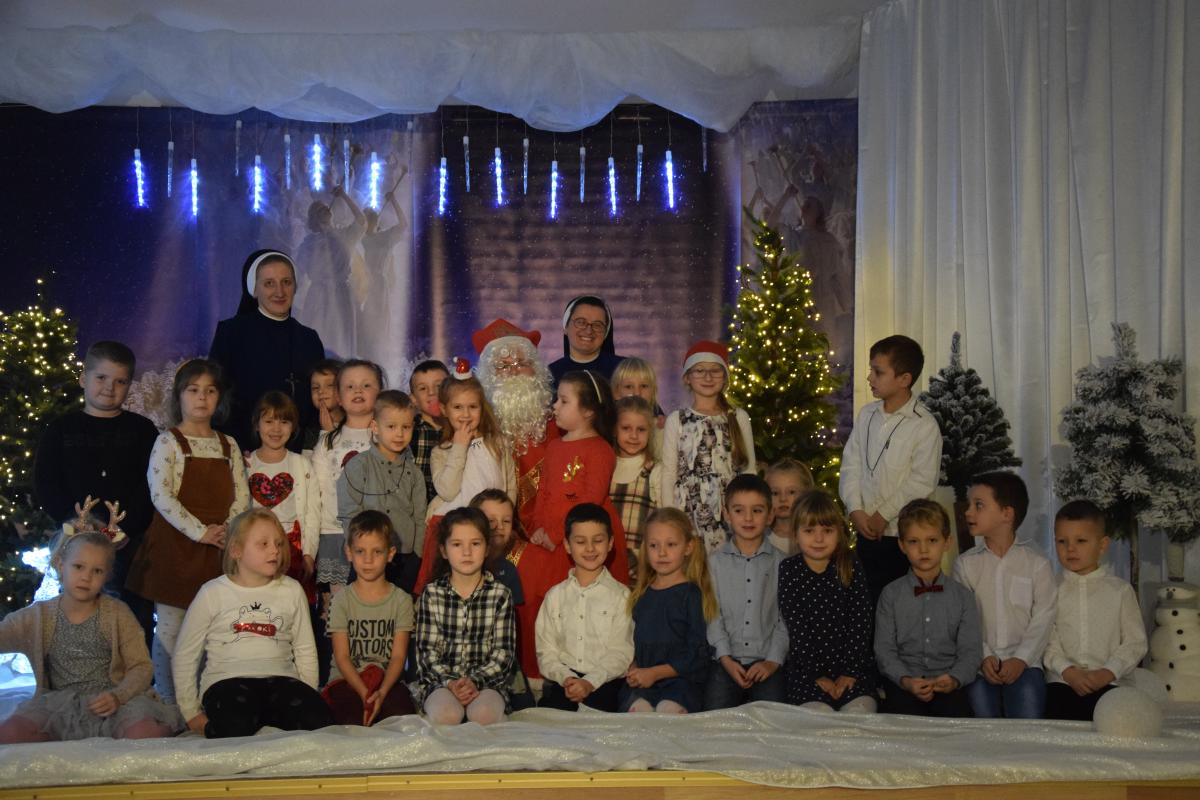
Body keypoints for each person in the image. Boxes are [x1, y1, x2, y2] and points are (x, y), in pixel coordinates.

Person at [125, 359, 250, 703]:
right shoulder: (168, 442)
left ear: (219, 398)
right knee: (171, 629)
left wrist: (226, 530)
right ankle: (169, 700)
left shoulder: (228, 444)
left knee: (214, 626)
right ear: (179, 396)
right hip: (176, 548)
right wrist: (199, 531)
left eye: (210, 391)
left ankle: (208, 698)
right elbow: (161, 495)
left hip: (219, 548)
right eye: (193, 390)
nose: (202, 398)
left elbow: (242, 495)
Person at [0, 529, 181, 743]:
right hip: (60, 705)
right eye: (78, 567)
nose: (86, 577)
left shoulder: (117, 613)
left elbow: (141, 666)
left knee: (144, 736)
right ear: (61, 565)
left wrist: (119, 695)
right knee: (10, 733)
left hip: (115, 701)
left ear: (107, 575)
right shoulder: (39, 615)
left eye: (97, 571)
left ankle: (163, 727)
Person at [33, 340, 159, 647]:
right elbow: (46, 483)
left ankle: (132, 673)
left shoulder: (144, 431)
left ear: (129, 385)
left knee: (132, 618)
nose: (109, 388)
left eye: (120, 381)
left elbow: (153, 486)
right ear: (83, 379)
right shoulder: (60, 429)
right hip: (76, 541)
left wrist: (128, 528)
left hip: (128, 544)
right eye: (101, 377)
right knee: (77, 615)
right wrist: (73, 522)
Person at [172, 509, 333, 738]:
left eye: (278, 543)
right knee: (234, 726)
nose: (274, 550)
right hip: (227, 681)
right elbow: (185, 654)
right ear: (236, 550)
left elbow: (305, 649)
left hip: (281, 680)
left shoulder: (291, 590)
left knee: (318, 722)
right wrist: (190, 713)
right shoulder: (212, 593)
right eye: (263, 544)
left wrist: (306, 694)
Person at [839, 335, 941, 606]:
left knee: (899, 605)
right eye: (871, 370)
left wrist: (883, 514)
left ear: (904, 379)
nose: (870, 378)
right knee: (866, 602)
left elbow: (922, 481)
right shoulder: (867, 415)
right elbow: (851, 464)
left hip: (901, 536)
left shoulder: (923, 425)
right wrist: (855, 509)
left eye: (878, 372)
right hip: (866, 531)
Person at [952, 471, 1056, 719]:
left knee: (1027, 716)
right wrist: (984, 656)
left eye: (978, 505)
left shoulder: (1036, 563)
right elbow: (964, 620)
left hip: (1026, 664)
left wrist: (1021, 659)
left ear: (1006, 514)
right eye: (969, 505)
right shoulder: (965, 565)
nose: (968, 512)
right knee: (983, 718)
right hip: (980, 665)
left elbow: (1044, 618)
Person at [209, 250, 326, 452]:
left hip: (296, 451)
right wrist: (234, 448)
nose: (280, 292)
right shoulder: (231, 333)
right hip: (243, 449)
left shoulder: (309, 338)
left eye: (286, 282)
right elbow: (217, 395)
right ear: (254, 290)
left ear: (295, 286)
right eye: (269, 283)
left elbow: (319, 399)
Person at [875, 499, 980, 717]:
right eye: (913, 541)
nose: (923, 549)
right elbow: (884, 650)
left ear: (947, 542)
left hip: (948, 682)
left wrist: (954, 679)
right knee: (903, 723)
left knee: (958, 721)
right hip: (904, 683)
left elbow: (970, 651)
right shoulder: (890, 595)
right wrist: (906, 680)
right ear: (902, 545)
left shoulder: (963, 597)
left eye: (932, 540)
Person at [1043, 500, 1147, 721]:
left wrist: (1107, 672)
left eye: (1081, 541)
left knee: (1119, 720)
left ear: (1102, 545)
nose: (1070, 548)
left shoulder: (1120, 590)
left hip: (1112, 681)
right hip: (1063, 681)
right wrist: (1068, 671)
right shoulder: (1049, 589)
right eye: (1062, 541)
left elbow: (1135, 642)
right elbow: (1047, 638)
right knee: (1057, 718)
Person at [412, 507, 516, 725]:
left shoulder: (500, 595)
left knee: (484, 714)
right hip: (441, 682)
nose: (467, 552)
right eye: (457, 544)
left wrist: (475, 681)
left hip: (487, 683)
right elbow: (426, 654)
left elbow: (503, 654)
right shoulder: (432, 594)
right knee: (447, 714)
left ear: (487, 548)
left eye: (475, 544)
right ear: (444, 550)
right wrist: (451, 683)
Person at [413, 370, 513, 594]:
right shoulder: (441, 451)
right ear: (444, 409)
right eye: (458, 407)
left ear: (481, 408)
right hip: (451, 528)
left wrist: (506, 519)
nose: (466, 414)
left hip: (487, 529)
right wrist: (459, 446)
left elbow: (508, 487)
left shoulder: (498, 444)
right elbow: (448, 491)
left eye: (472, 407)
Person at [779, 490, 877, 713]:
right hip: (807, 673)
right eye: (809, 531)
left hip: (853, 670)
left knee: (860, 714)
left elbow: (861, 621)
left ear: (839, 532)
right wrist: (817, 675)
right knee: (819, 719)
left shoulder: (850, 564)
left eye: (827, 530)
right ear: (795, 534)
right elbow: (797, 627)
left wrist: (850, 671)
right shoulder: (789, 570)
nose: (819, 538)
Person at [531, 371, 630, 584]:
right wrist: (539, 527)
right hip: (549, 538)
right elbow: (543, 491)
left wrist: (558, 534)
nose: (555, 406)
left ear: (588, 410)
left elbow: (591, 499)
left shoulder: (599, 450)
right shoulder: (554, 447)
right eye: (557, 399)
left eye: (564, 401)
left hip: (581, 538)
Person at [535, 503, 634, 712]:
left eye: (598, 541)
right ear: (567, 545)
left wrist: (590, 682)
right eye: (580, 542)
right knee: (551, 719)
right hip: (564, 681)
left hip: (604, 682)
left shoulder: (622, 596)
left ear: (610, 543)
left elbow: (621, 652)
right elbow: (546, 651)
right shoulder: (555, 596)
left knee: (599, 722)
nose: (590, 549)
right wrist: (567, 678)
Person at [323, 510, 418, 726]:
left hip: (387, 681)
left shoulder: (401, 600)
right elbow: (342, 657)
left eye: (377, 551)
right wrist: (365, 693)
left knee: (403, 720)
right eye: (360, 551)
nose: (368, 560)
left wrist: (382, 692)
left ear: (390, 554)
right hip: (347, 680)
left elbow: (398, 657)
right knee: (351, 722)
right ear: (349, 552)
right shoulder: (341, 601)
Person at [620, 508, 718, 714]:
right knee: (638, 712)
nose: (662, 553)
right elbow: (631, 642)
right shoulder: (640, 594)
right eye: (654, 545)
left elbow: (697, 653)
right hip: (643, 682)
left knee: (668, 710)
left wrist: (655, 673)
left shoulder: (691, 594)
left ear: (688, 547)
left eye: (671, 544)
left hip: (680, 682)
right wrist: (633, 667)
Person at [661, 341, 756, 552]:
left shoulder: (738, 417)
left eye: (715, 371)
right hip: (687, 515)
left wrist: (746, 513)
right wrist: (669, 518)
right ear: (687, 377)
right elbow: (668, 473)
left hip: (729, 515)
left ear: (725, 377)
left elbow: (749, 470)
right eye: (700, 371)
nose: (708, 377)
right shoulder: (676, 419)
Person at [705, 475, 788, 709]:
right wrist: (725, 658)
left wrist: (772, 661)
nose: (748, 518)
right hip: (726, 659)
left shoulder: (783, 564)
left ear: (770, 515)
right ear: (726, 514)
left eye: (757, 510)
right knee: (713, 718)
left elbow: (786, 619)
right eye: (739, 510)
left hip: (767, 661)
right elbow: (712, 616)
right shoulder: (714, 564)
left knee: (775, 717)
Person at [338, 390, 427, 593]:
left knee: (399, 609)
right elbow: (349, 513)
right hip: (368, 556)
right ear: (375, 427)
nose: (399, 434)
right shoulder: (358, 466)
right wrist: (359, 550)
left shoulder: (414, 474)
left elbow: (419, 518)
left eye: (406, 427)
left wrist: (417, 556)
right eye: (391, 426)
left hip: (405, 558)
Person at [472, 319, 556, 532]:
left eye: (521, 363)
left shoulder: (559, 427)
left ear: (536, 371)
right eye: (503, 366)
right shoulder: (476, 428)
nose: (514, 371)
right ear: (488, 377)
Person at [313, 360, 384, 591]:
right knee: (339, 601)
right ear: (339, 397)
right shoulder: (328, 441)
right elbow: (318, 489)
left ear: (380, 393)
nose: (358, 391)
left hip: (376, 532)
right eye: (350, 386)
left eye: (366, 385)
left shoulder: (387, 438)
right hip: (335, 531)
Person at [470, 488, 554, 681]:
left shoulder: (519, 565)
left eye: (506, 521)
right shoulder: (459, 561)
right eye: (490, 520)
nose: (499, 527)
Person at [247, 392, 320, 605]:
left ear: (293, 427)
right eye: (269, 421)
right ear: (257, 424)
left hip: (292, 552)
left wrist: (309, 553)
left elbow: (312, 512)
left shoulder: (301, 464)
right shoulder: (246, 464)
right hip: (255, 550)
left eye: (284, 422)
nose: (276, 429)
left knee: (290, 606)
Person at [295, 185, 367, 359]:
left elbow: (361, 221)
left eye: (326, 208)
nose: (326, 210)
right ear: (314, 217)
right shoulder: (308, 244)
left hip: (341, 293)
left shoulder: (345, 236)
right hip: (318, 295)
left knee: (341, 338)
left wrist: (344, 196)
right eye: (320, 209)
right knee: (319, 336)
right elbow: (298, 273)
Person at [610, 397, 662, 582]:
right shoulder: (605, 466)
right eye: (626, 428)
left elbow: (664, 523)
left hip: (641, 572)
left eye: (641, 430)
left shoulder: (655, 471)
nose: (633, 436)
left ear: (650, 432)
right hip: (605, 567)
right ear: (615, 429)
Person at [548, 295, 627, 386]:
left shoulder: (625, 370)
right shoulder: (549, 376)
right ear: (565, 327)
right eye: (581, 322)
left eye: (597, 325)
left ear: (605, 333)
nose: (589, 331)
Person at [408, 359, 450, 502]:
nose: (432, 393)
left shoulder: (460, 429)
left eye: (438, 386)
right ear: (414, 399)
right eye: (423, 388)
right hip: (416, 505)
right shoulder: (409, 429)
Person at [764, 458, 815, 557]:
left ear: (806, 493)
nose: (783, 499)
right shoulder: (761, 535)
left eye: (791, 492)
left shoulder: (816, 535)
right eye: (775, 493)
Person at [301, 359, 344, 453]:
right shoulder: (311, 430)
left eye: (330, 385)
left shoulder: (354, 425)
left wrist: (329, 433)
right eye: (315, 387)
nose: (320, 391)